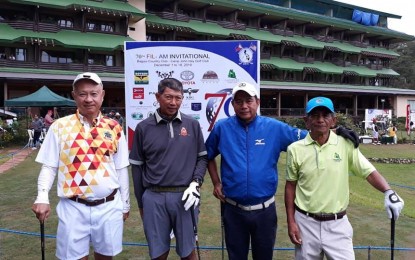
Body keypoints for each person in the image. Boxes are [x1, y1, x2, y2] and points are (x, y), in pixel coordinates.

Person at [205, 83, 360, 260]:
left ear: (257, 102)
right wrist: (216, 182)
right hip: (233, 210)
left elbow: (308, 135)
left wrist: (336, 131)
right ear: (232, 104)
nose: (244, 106)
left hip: (264, 211)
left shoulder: (273, 127)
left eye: (248, 100)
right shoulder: (221, 128)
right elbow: (207, 155)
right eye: (239, 101)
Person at [284, 96, 404, 260]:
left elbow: (367, 171)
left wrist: (388, 191)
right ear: (306, 121)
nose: (320, 120)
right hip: (305, 223)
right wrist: (291, 222)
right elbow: (290, 186)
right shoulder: (295, 149)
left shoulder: (345, 144)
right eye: (315, 115)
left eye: (325, 115)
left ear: (333, 120)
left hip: (337, 224)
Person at [31, 72, 130, 260]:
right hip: (73, 208)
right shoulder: (59, 126)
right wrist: (42, 196)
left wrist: (125, 205)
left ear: (102, 95)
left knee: (106, 257)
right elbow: (49, 166)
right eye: (83, 94)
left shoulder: (114, 127)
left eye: (94, 93)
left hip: (109, 206)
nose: (88, 99)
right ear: (74, 95)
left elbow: (121, 168)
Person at [129, 77, 207, 260]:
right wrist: (141, 204)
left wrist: (196, 183)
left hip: (185, 197)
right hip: (153, 197)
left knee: (189, 253)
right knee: (158, 254)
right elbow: (137, 169)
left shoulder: (192, 125)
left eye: (178, 98)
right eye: (168, 97)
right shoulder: (143, 128)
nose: (173, 102)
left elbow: (202, 158)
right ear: (157, 96)